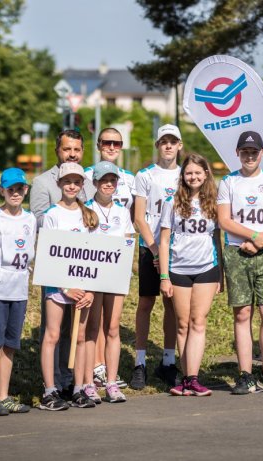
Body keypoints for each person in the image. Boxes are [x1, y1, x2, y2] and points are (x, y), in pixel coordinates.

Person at [217, 131, 263, 395]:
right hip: (237, 253)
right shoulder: (228, 182)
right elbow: (224, 220)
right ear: (238, 153)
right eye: (245, 151)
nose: (250, 155)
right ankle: (245, 374)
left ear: (262, 154)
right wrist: (253, 236)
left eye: (254, 151)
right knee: (243, 313)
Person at [159, 154, 222, 397]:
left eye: (198, 172)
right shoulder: (172, 202)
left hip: (207, 268)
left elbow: (217, 238)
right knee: (182, 324)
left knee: (199, 321)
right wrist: (164, 276)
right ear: (182, 176)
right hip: (178, 270)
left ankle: (193, 379)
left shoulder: (214, 202)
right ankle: (185, 379)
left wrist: (221, 275)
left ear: (206, 174)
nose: (193, 176)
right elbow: (164, 241)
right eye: (189, 173)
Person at [30, 129, 84, 400]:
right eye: (67, 149)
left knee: (76, 329)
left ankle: (70, 379)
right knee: (54, 329)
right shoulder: (42, 182)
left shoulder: (88, 181)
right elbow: (38, 222)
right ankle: (52, 384)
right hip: (55, 267)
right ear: (57, 151)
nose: (71, 153)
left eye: (76, 149)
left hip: (83, 269)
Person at [40, 162, 97, 409]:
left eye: (76, 182)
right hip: (58, 285)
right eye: (67, 181)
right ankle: (50, 390)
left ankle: (78, 388)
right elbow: (48, 255)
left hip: (83, 285)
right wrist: (65, 288)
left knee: (81, 337)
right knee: (52, 335)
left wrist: (91, 289)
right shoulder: (51, 215)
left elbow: (95, 256)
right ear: (59, 184)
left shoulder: (88, 214)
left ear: (82, 185)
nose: (71, 186)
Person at [0, 168, 36, 415]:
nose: (15, 193)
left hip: (19, 285)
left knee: (11, 343)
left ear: (26, 190)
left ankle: (4, 394)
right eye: (10, 189)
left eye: (20, 188)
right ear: (1, 191)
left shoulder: (30, 218)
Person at [131, 124, 182, 390]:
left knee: (172, 304)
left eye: (173, 141)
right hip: (149, 246)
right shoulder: (145, 175)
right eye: (164, 141)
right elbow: (139, 216)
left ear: (180, 146)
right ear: (157, 145)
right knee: (145, 303)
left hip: (177, 249)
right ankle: (139, 362)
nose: (168, 146)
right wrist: (153, 250)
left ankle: (168, 361)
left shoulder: (187, 175)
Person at [83, 128, 135, 389]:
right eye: (104, 180)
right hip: (93, 274)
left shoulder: (122, 210)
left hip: (116, 274)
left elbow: (128, 241)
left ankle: (111, 380)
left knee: (113, 327)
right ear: (94, 182)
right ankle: (93, 374)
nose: (109, 184)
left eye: (113, 181)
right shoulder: (86, 208)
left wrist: (126, 268)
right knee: (93, 327)